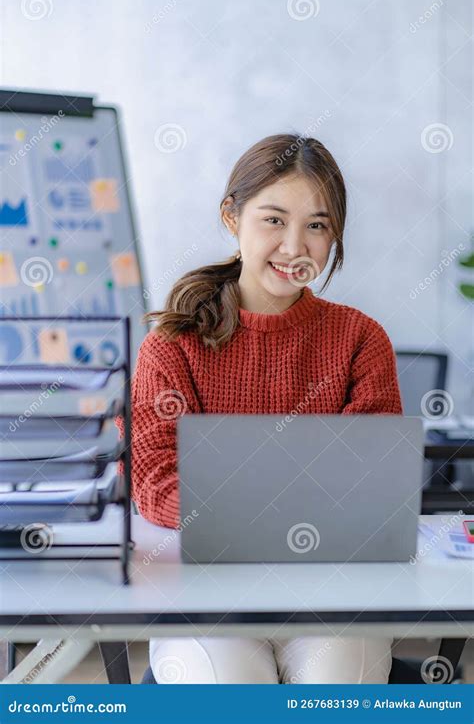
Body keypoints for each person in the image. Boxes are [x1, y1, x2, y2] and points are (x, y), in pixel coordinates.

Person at [116, 134, 402, 684]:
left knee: (338, 687)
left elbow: (372, 481)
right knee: (230, 691)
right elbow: (154, 479)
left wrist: (240, 502)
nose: (295, 247)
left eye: (317, 226)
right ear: (232, 217)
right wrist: (288, 510)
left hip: (332, 587)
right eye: (274, 219)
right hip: (206, 588)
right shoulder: (171, 347)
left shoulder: (360, 340)